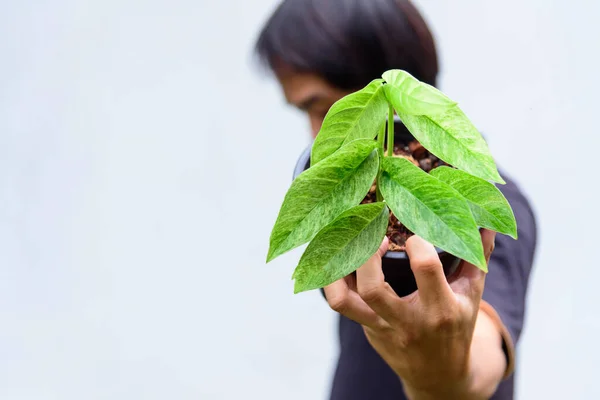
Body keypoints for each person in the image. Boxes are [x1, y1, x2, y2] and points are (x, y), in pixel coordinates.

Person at [255, 1, 537, 399]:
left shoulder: (490, 207)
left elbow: (483, 353)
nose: (319, 134)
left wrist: (441, 376)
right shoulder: (360, 178)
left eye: (320, 108)